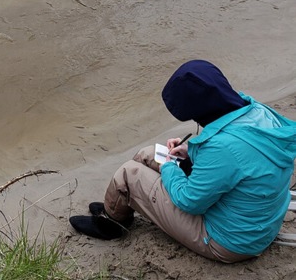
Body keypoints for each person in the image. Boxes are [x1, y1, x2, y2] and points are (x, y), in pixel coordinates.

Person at [69, 60, 296, 263]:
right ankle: (119, 205)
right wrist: (191, 150)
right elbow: (240, 156)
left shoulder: (221, 148)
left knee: (129, 174)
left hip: (229, 242)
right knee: (147, 154)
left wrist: (169, 166)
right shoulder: (258, 112)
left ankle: (112, 225)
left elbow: (190, 202)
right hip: (260, 223)